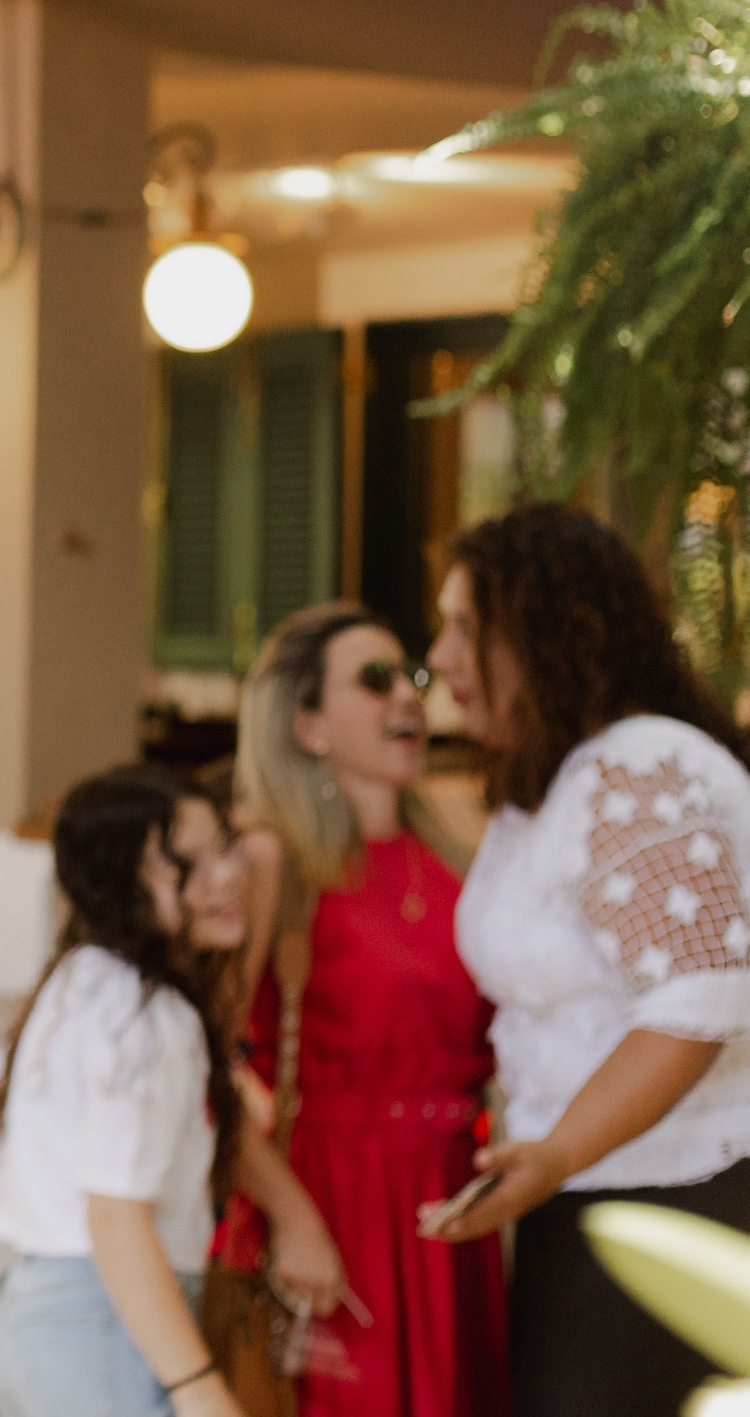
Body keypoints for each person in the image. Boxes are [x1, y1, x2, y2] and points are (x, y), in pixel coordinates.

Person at [423, 503, 750, 1417]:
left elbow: (698, 1001)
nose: (441, 658)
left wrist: (557, 1152)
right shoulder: (560, 776)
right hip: (594, 1185)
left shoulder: (635, 765)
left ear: (543, 633)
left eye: (463, 628)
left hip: (672, 1194)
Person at [222, 603, 507, 1417]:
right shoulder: (275, 862)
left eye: (414, 677)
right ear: (308, 725)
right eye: (374, 680)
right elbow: (205, 1064)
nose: (409, 698)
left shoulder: (459, 860)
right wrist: (292, 1215)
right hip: (341, 1198)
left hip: (456, 1196)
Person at [0, 767, 247, 1417]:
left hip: (27, 1327)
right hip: (101, 1329)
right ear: (121, 882)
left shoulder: (75, 980)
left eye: (224, 847)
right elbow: (116, 1219)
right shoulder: (147, 1017)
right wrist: (201, 1387)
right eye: (187, 861)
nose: (227, 874)